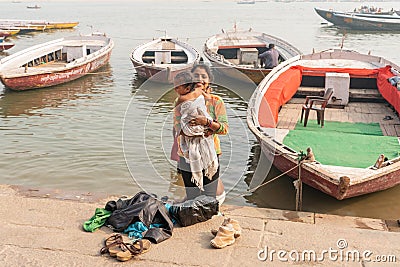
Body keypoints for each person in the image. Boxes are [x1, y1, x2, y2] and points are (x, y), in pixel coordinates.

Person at [173, 71, 219, 199]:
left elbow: (224, 129)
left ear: (188, 87)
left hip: (205, 145)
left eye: (178, 87)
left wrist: (206, 122)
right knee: (192, 191)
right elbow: (177, 125)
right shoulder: (200, 92)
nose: (175, 89)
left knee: (208, 191)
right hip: (195, 144)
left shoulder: (181, 99)